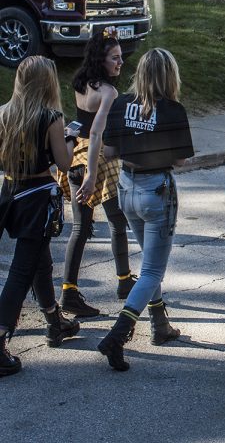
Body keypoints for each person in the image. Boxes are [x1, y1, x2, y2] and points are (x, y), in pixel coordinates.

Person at [97, 48, 195, 371]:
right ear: (170, 76)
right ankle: (118, 334)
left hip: (126, 187)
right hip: (157, 191)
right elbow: (180, 160)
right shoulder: (173, 111)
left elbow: (109, 150)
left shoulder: (121, 103)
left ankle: (159, 323)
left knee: (150, 262)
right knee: (153, 269)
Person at [0, 56, 78, 377]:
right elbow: (64, 163)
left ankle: (53, 319)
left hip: (9, 193)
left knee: (39, 262)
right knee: (21, 270)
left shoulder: (3, 113)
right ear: (48, 82)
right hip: (37, 197)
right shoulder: (51, 117)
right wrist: (71, 138)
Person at [55, 29, 133, 318]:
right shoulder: (109, 92)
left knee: (80, 228)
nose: (120, 63)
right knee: (116, 220)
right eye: (115, 58)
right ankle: (124, 282)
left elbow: (79, 122)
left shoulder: (80, 82)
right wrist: (90, 174)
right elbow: (98, 131)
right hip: (97, 160)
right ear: (101, 60)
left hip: (75, 153)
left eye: (121, 57)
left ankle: (68, 291)